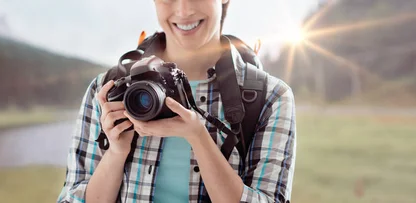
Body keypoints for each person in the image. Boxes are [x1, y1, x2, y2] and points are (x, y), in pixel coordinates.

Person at [57, 0, 296, 202]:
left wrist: (199, 138)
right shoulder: (107, 88)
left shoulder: (270, 97)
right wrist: (116, 152)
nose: (183, 11)